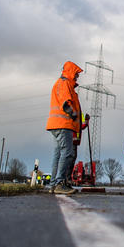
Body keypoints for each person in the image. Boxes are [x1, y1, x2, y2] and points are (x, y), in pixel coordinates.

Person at [46, 61, 86, 194]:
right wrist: (73, 115)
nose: (77, 77)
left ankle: (53, 184)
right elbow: (65, 103)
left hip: (57, 124)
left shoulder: (61, 83)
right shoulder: (64, 83)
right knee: (67, 153)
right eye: (76, 74)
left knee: (57, 155)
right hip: (64, 124)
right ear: (70, 72)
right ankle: (59, 183)